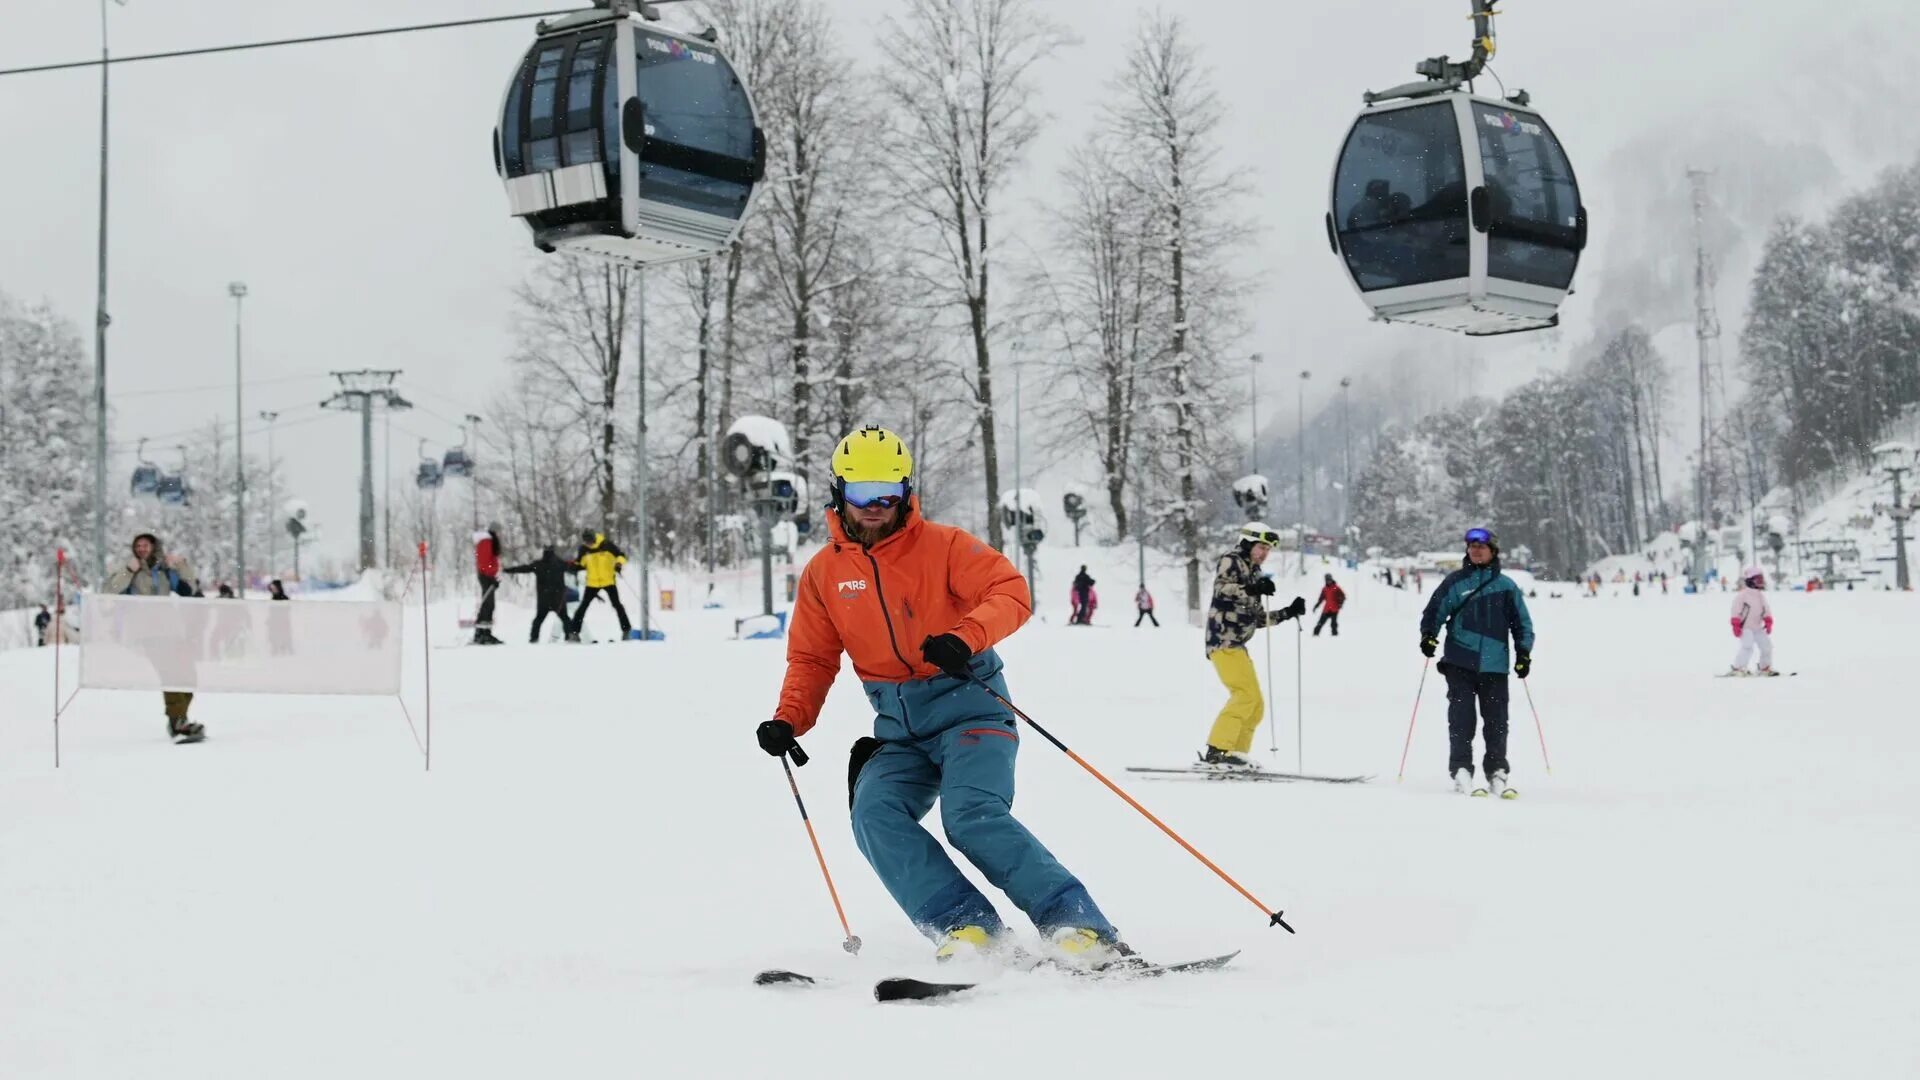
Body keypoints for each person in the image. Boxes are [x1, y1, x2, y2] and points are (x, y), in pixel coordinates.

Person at [757, 424, 1129, 966]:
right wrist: (789, 719)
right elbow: (813, 658)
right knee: (875, 813)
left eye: (888, 492)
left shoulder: (945, 547)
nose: (875, 506)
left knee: (972, 814)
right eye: (862, 493)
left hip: (971, 710)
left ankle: (1078, 925)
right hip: (900, 730)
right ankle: (968, 929)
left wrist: (964, 636)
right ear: (839, 492)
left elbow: (1010, 591)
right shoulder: (824, 575)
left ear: (906, 491)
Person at [1419, 527, 1534, 797]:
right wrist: (1428, 636)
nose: (1476, 550)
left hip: (1495, 666)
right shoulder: (1455, 583)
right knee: (1461, 720)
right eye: (1471, 547)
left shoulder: (1506, 587)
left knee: (1497, 723)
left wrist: (1524, 653)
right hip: (1459, 663)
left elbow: (1522, 625)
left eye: (1481, 547)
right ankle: (1461, 769)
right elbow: (1434, 611)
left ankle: (1497, 770)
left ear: (1492, 551)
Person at [1201, 522, 1307, 769]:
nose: (1264, 553)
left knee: (1256, 705)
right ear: (1248, 544)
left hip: (1238, 645)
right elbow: (1221, 590)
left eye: (1268, 550)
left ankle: (1236, 755)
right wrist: (1251, 587)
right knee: (1245, 696)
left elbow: (1259, 618)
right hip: (1223, 640)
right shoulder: (1232, 560)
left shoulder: (1255, 573)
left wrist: (1288, 612)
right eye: (1261, 547)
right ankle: (1217, 751)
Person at [103, 532, 205, 744]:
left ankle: (179, 718)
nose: (141, 549)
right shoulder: (131, 570)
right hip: (148, 633)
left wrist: (181, 564)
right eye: (138, 545)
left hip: (172, 630)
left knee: (188, 675)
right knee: (171, 674)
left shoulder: (164, 571)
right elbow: (109, 590)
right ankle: (177, 722)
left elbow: (190, 590)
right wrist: (128, 571)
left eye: (145, 545)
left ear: (153, 547)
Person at [504, 545, 579, 643]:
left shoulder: (538, 564)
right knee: (565, 618)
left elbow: (524, 568)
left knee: (538, 619)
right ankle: (569, 636)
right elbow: (575, 567)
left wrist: (507, 570)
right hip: (558, 598)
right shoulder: (561, 564)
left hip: (544, 598)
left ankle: (534, 638)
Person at [569, 529, 630, 642]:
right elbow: (581, 563)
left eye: (590, 541)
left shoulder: (607, 545)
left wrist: (618, 564)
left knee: (617, 605)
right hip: (592, 583)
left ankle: (626, 631)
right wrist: (574, 566)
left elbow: (621, 556)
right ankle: (574, 633)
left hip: (608, 581)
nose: (588, 544)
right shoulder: (584, 549)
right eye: (586, 542)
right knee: (583, 607)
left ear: (594, 538)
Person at [1729, 565, 1776, 676]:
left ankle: (1764, 667)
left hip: (1757, 627)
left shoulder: (1760, 596)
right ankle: (1738, 668)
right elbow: (1735, 610)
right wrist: (1735, 624)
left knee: (1767, 646)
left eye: (1761, 579)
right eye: (1757, 579)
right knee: (1747, 646)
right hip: (1745, 627)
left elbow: (1766, 609)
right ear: (1750, 580)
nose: (1760, 582)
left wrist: (1768, 621)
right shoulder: (1742, 595)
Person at [472, 525, 504, 645]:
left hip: (488, 576)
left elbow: (490, 562)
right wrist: (491, 577)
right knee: (488, 604)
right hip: (486, 576)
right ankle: (482, 634)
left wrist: (494, 576)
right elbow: (484, 563)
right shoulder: (486, 542)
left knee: (488, 604)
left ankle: (483, 633)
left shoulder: (488, 542)